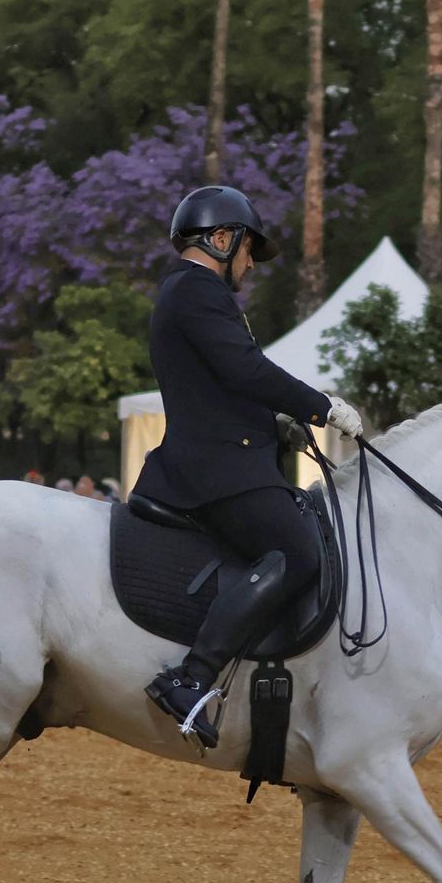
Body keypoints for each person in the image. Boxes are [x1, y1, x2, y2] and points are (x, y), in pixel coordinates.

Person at [131, 185, 360, 748]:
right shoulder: (197, 290)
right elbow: (247, 370)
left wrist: (275, 425)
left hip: (227, 456)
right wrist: (321, 407)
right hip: (217, 469)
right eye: (249, 249)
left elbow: (219, 386)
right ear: (222, 238)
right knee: (298, 554)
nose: (251, 263)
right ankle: (192, 677)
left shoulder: (191, 292)